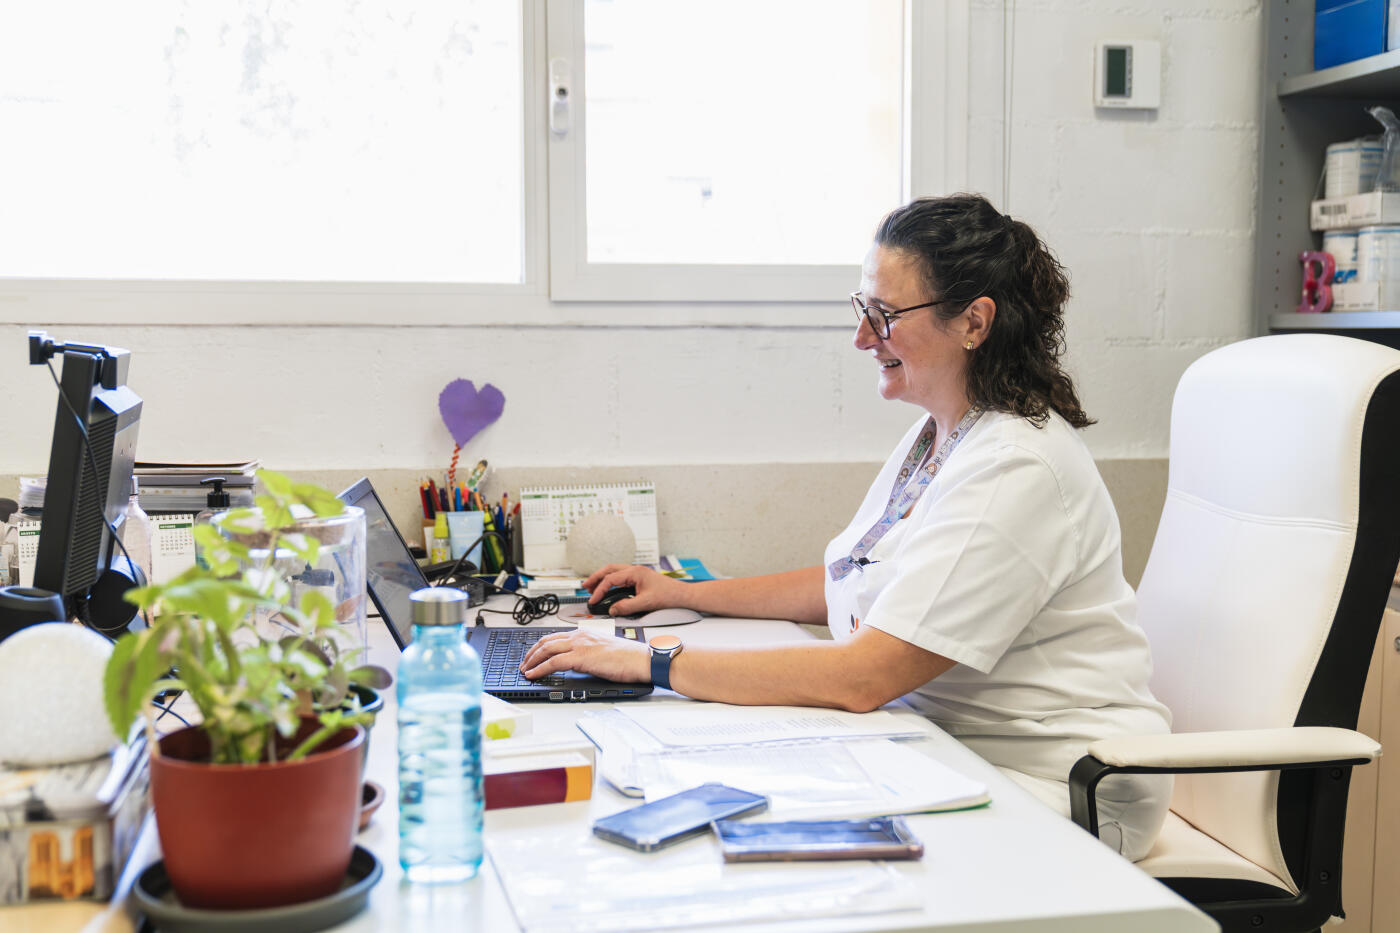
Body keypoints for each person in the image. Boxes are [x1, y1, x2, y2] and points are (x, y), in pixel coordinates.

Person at [520, 193, 1172, 861]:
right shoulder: (941, 437)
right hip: (939, 745)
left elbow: (864, 675)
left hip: (1063, 787)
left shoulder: (1016, 467)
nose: (863, 337)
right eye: (863, 310)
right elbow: (845, 581)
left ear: (974, 321)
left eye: (885, 316)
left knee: (742, 824)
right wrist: (677, 591)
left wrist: (652, 662)